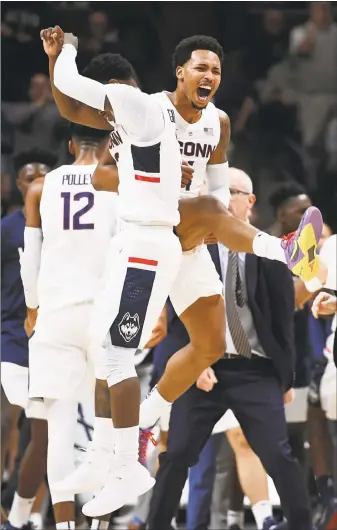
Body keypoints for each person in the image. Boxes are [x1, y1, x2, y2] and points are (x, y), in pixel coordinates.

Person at [41, 29, 324, 499]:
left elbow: (215, 192)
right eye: (200, 67)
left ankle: (147, 420)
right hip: (151, 228)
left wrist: (195, 194)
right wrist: (163, 175)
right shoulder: (147, 109)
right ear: (180, 72)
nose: (209, 75)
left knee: (210, 343)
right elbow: (103, 174)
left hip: (186, 233)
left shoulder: (219, 123)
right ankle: (286, 249)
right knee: (113, 351)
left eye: (216, 69)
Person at [146, 169, 313, 530]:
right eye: (213, 192)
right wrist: (194, 359)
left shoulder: (268, 248)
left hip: (255, 368)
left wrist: (286, 378)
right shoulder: (190, 241)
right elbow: (174, 316)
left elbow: (284, 317)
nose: (219, 199)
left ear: (249, 202)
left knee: (278, 455)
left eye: (230, 192)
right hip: (202, 367)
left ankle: (302, 524)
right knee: (176, 455)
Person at [20, 124, 119, 530]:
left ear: (70, 145)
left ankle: (61, 527)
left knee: (58, 427)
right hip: (103, 311)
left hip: (56, 313)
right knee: (108, 425)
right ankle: (99, 523)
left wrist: (32, 310)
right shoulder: (117, 182)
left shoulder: (40, 186)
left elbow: (31, 256)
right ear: (110, 144)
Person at [1, 149, 56, 530]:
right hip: (12, 332)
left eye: (43, 173)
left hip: (53, 333)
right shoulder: (6, 227)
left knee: (47, 428)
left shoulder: (65, 224)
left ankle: (34, 511)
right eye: (29, 175)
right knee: (8, 418)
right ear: (19, 184)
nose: (36, 178)